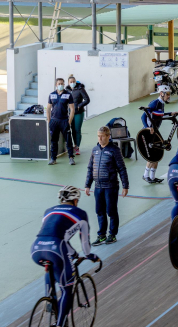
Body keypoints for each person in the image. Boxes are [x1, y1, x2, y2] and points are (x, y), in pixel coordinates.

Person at [30, 186, 100, 327]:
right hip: (56, 249)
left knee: (52, 269)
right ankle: (60, 324)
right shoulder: (80, 213)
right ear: (75, 200)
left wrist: (73, 253)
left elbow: (55, 234)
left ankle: (49, 301)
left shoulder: (48, 211)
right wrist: (90, 256)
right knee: (67, 288)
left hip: (36, 248)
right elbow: (85, 243)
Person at [85, 126, 129, 245]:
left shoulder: (114, 150)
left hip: (111, 187)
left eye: (102, 136)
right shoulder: (95, 150)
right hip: (98, 187)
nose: (99, 138)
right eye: (98, 136)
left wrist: (125, 186)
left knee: (111, 211)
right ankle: (102, 235)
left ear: (108, 136)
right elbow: (90, 168)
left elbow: (121, 168)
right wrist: (87, 185)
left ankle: (112, 234)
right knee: (100, 211)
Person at [140, 85, 177, 184]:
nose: (169, 96)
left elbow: (159, 114)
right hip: (148, 132)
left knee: (158, 153)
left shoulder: (161, 103)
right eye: (167, 94)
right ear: (161, 93)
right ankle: (145, 175)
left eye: (169, 94)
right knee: (152, 155)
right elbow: (143, 116)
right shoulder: (154, 103)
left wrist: (170, 113)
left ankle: (152, 177)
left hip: (155, 131)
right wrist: (147, 127)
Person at [47, 78, 76, 165]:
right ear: (56, 85)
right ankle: (53, 159)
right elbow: (48, 109)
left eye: (62, 83)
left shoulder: (68, 94)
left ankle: (71, 158)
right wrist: (49, 121)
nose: (61, 85)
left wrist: (69, 122)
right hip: (54, 121)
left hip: (64, 121)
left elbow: (72, 109)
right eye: (59, 83)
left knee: (68, 140)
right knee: (54, 140)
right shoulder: (51, 95)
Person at [66, 75, 90, 156]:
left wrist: (80, 105)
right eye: (71, 82)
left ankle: (77, 146)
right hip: (70, 113)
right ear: (68, 83)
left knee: (77, 129)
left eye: (74, 81)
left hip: (78, 113)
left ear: (75, 82)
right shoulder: (67, 90)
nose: (72, 83)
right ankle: (73, 145)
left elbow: (87, 99)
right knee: (71, 130)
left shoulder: (80, 89)